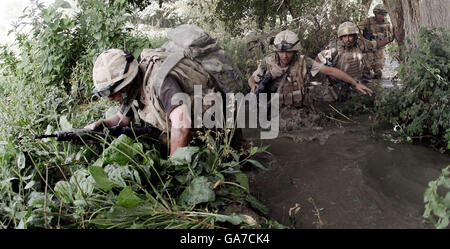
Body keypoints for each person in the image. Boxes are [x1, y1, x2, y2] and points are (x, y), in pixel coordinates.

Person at [83, 47, 235, 156]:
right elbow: (121, 120)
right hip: (189, 126)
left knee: (233, 159)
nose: (110, 98)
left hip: (217, 126)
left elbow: (181, 127)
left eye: (114, 92)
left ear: (128, 81)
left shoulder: (161, 83)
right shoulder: (131, 89)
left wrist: (174, 169)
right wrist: (101, 124)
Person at [248, 30, 373, 130]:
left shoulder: (304, 62)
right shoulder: (267, 62)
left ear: (295, 51)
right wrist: (253, 86)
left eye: (289, 52)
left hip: (301, 108)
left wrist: (355, 83)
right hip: (277, 110)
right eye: (281, 52)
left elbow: (330, 71)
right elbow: (252, 79)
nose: (284, 56)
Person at [316, 21, 391, 101]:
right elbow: (317, 61)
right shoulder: (333, 48)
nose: (347, 39)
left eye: (350, 36)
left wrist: (389, 39)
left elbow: (374, 45)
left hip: (355, 85)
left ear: (355, 36)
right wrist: (329, 72)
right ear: (341, 37)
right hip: (335, 88)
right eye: (345, 36)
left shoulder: (359, 44)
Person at [358, 4, 394, 79]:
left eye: (382, 14)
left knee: (378, 69)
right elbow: (357, 29)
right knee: (366, 68)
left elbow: (391, 35)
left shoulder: (387, 23)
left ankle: (376, 81)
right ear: (375, 13)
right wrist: (364, 40)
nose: (381, 16)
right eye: (379, 14)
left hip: (380, 46)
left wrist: (386, 40)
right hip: (369, 46)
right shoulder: (368, 21)